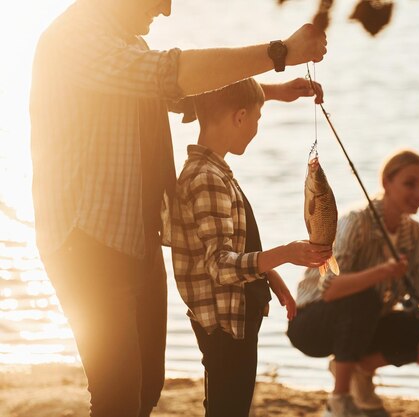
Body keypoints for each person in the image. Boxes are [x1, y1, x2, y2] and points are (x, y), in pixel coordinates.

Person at [29, 0, 327, 415]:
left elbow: (184, 98)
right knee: (117, 397)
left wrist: (271, 93)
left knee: (148, 387)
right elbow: (170, 75)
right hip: (88, 243)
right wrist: (279, 53)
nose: (166, 11)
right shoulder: (75, 39)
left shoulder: (122, 40)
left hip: (136, 238)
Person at [166, 77, 332, 417]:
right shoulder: (207, 178)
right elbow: (220, 264)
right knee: (228, 409)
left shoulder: (214, 171)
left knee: (228, 406)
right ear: (239, 117)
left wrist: (271, 276)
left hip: (234, 317)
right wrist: (286, 253)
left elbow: (229, 243)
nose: (257, 128)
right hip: (226, 322)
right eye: (257, 118)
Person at [287, 149, 419, 417]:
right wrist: (383, 272)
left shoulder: (415, 233)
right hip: (312, 322)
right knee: (364, 298)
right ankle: (339, 398)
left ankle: (361, 370)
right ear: (387, 182)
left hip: (365, 322)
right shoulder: (356, 220)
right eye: (409, 184)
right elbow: (331, 290)